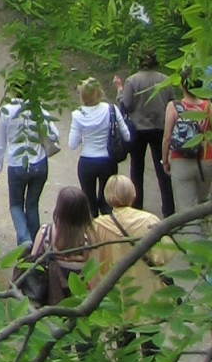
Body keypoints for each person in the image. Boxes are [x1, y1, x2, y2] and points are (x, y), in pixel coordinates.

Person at [84, 174, 166, 321]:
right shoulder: (149, 221)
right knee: (149, 330)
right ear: (133, 194)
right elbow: (163, 255)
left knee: (122, 331)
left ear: (107, 197)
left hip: (116, 295)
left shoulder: (98, 226)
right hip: (146, 292)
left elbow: (92, 264)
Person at [0, 94, 59, 246]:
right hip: (39, 163)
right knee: (32, 204)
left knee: (16, 204)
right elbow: (54, 135)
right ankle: (36, 244)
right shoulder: (38, 108)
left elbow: (0, 142)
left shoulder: (5, 111)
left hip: (17, 163)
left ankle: (25, 239)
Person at [118, 49, 178, 215]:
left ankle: (137, 205)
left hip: (138, 128)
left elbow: (127, 104)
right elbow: (171, 102)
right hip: (159, 127)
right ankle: (168, 208)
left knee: (137, 167)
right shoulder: (165, 80)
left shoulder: (132, 80)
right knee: (162, 168)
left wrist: (119, 93)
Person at [20, 183, 95, 308]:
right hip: (76, 299)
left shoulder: (46, 233)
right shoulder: (89, 239)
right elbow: (93, 272)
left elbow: (34, 264)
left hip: (49, 296)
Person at [67, 77, 129, 216]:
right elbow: (126, 135)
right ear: (99, 91)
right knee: (107, 199)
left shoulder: (78, 114)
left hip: (87, 161)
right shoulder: (111, 109)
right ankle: (107, 224)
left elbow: (72, 144)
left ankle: (92, 224)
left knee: (88, 201)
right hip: (108, 160)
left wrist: (85, 135)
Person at [164, 64, 212, 235]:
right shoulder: (209, 106)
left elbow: (167, 137)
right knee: (202, 205)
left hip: (181, 161)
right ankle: (205, 240)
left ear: (182, 85)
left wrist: (165, 160)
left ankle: (192, 244)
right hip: (206, 161)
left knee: (186, 210)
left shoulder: (174, 106)